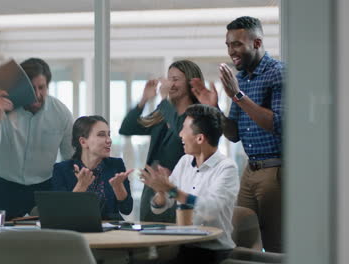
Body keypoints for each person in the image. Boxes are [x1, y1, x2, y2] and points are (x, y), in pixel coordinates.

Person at [191, 16, 284, 252]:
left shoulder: (278, 73)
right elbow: (233, 134)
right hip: (250, 171)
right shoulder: (240, 79)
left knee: (276, 245)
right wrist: (214, 108)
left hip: (276, 172)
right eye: (229, 45)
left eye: (237, 44)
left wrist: (237, 96)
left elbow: (279, 124)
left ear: (257, 43)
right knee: (237, 240)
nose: (232, 51)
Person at [142, 104, 239, 264]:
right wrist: (160, 192)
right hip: (184, 246)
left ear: (200, 138)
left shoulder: (227, 168)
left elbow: (210, 209)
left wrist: (171, 190)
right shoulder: (185, 161)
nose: (180, 134)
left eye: (184, 129)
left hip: (213, 251)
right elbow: (163, 205)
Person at [0, 58, 73, 220]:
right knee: (0, 241)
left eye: (42, 88)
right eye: (32, 88)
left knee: (47, 242)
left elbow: (70, 156)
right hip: (5, 188)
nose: (37, 95)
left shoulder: (61, 113)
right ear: (20, 88)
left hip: (45, 188)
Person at [119, 60, 203, 222]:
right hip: (152, 187)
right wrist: (144, 100)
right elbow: (126, 129)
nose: (170, 83)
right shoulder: (162, 113)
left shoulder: (198, 113)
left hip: (179, 188)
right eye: (169, 78)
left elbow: (180, 130)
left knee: (175, 241)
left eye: (176, 79)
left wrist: (164, 98)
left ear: (190, 82)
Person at [52, 116, 133, 220]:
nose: (109, 140)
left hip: (111, 231)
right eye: (101, 135)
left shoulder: (116, 165)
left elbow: (127, 209)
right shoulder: (62, 169)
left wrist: (118, 187)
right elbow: (60, 213)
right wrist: (81, 186)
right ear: (83, 142)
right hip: (76, 229)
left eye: (109, 134)